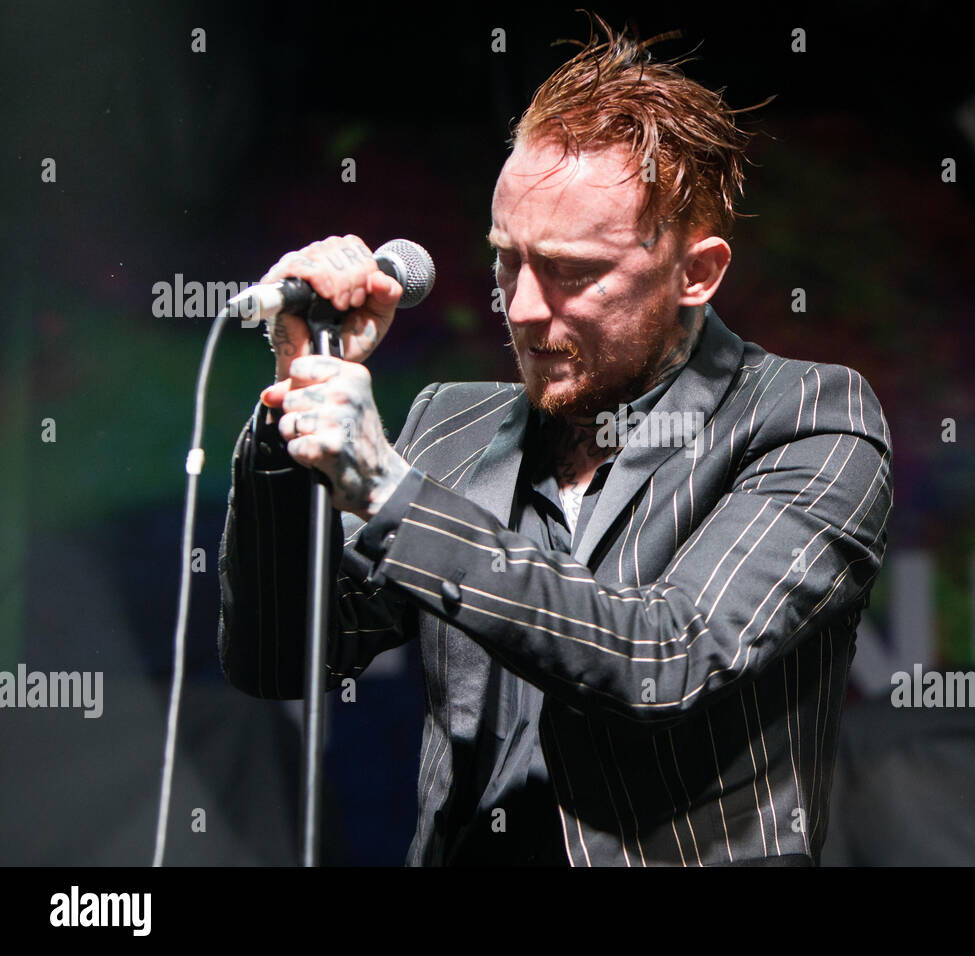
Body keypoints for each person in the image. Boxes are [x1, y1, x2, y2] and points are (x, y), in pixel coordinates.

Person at [217, 14, 892, 866]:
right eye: (508, 260)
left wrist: (392, 495)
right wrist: (292, 411)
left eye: (574, 272)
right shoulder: (451, 426)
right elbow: (283, 660)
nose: (525, 309)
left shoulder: (811, 416)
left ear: (698, 271)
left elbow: (667, 655)